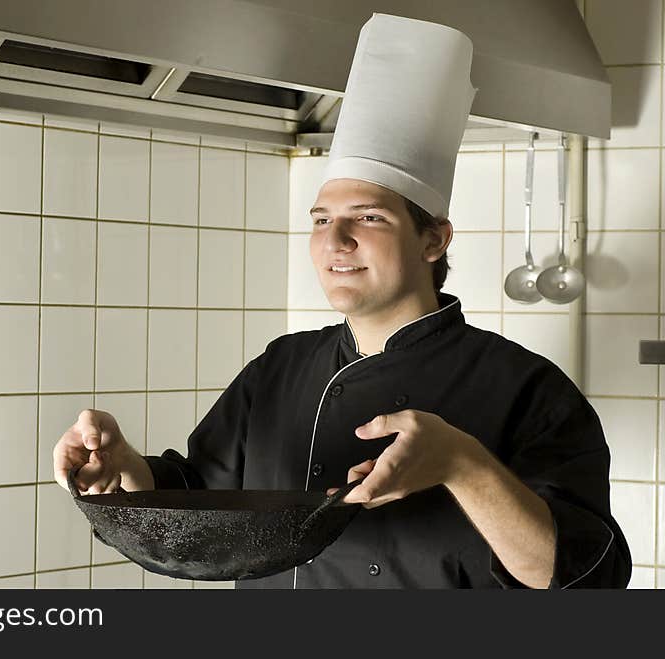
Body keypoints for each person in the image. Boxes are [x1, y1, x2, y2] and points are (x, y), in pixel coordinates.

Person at [53, 14, 631, 589]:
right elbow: (199, 501)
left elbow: (586, 576)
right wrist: (125, 468)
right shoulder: (280, 370)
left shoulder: (526, 389)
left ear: (434, 239)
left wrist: (462, 463)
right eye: (322, 219)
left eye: (368, 218)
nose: (335, 241)